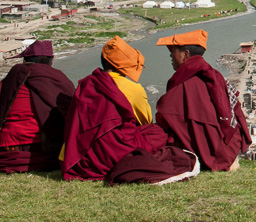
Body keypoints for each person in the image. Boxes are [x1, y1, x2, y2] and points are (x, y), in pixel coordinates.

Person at [61, 36, 198, 184]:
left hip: (82, 155)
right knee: (156, 132)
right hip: (115, 150)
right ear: (124, 65)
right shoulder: (132, 89)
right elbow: (146, 121)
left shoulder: (86, 84)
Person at [155, 30, 251, 171]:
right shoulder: (216, 75)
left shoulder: (186, 83)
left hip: (208, 151)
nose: (170, 55)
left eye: (173, 51)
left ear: (185, 54)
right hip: (226, 146)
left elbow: (164, 114)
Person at [0, 40, 74, 173]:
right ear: (52, 60)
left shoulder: (11, 79)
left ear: (24, 61)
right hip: (43, 149)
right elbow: (70, 110)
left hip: (5, 148)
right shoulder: (57, 78)